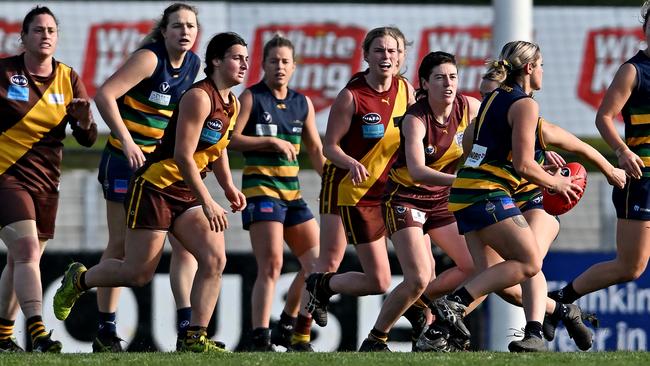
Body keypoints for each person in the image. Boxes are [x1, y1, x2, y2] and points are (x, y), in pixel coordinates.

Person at [52, 32, 249, 353]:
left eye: (246, 59)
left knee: (214, 259)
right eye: (237, 57)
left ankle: (194, 338)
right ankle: (79, 280)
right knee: (137, 273)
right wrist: (208, 200)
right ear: (216, 61)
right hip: (156, 188)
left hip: (186, 192)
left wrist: (228, 187)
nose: (244, 64)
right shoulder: (199, 97)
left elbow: (219, 148)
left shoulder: (234, 103)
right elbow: (184, 156)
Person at [432, 41, 584, 353]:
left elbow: (574, 146)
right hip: (497, 197)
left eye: (491, 91)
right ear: (529, 68)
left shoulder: (522, 113)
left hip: (531, 200)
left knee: (525, 267)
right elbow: (517, 163)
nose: (488, 99)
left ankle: (533, 331)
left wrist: (612, 165)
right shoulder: (502, 111)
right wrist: (557, 181)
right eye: (484, 96)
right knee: (510, 277)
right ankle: (560, 311)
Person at [93, 3, 201, 352]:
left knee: (186, 246)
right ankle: (105, 330)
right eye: (177, 26)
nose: (184, 31)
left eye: (190, 26)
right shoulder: (149, 59)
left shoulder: (194, 65)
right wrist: (126, 142)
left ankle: (188, 328)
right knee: (121, 245)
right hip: (123, 163)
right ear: (164, 31)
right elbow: (104, 95)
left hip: (159, 170)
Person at [357, 51, 480, 352]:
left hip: (440, 201)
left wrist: (541, 150)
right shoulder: (415, 118)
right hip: (404, 198)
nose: (448, 84)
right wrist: (462, 182)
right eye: (439, 78)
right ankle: (376, 339)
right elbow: (417, 169)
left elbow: (510, 128)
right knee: (418, 277)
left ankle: (429, 310)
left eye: (452, 77)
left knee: (477, 266)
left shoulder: (470, 108)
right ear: (424, 83)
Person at [304, 26, 415, 335]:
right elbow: (330, 147)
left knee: (412, 269)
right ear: (366, 55)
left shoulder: (407, 90)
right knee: (331, 257)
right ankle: (301, 332)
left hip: (389, 192)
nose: (386, 56)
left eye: (392, 51)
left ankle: (420, 315)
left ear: (401, 56)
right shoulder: (351, 97)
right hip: (347, 187)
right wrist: (351, 162)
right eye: (379, 50)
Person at [0, 6, 97, 353]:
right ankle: (38, 332)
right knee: (26, 251)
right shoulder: (5, 72)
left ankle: (2, 336)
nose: (45, 36)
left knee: (20, 260)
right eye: (38, 30)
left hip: (46, 181)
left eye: (51, 30)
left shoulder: (68, 78)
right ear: (22, 38)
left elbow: (87, 138)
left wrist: (85, 121)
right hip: (6, 176)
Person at [550, 1, 650, 314]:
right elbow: (604, 117)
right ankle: (560, 301)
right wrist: (622, 150)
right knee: (630, 267)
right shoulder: (633, 70)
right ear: (646, 27)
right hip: (642, 178)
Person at [229, 34, 323, 352]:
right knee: (272, 265)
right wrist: (269, 142)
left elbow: (315, 148)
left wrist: (333, 184)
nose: (279, 67)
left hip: (292, 194)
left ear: (294, 66)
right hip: (261, 191)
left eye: (285, 61)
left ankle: (288, 323)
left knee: (319, 264)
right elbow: (232, 140)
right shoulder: (252, 98)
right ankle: (260, 337)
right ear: (263, 65)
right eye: (273, 61)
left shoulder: (302, 103)